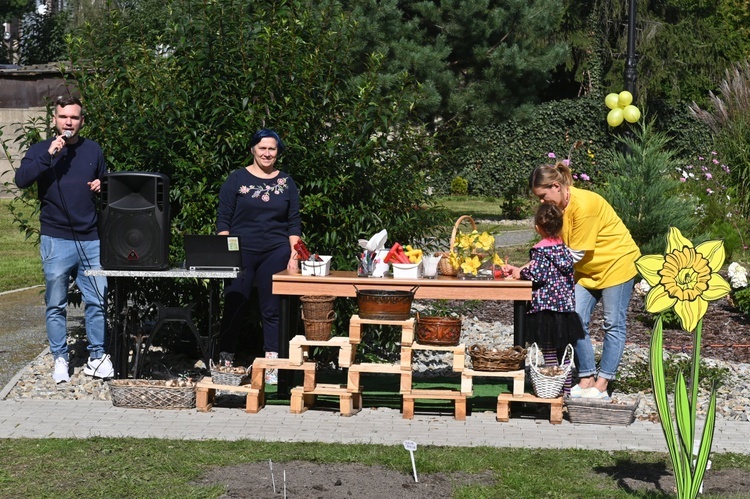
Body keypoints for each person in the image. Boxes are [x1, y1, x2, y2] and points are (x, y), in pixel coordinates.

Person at [14, 95, 113, 383]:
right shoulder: (41, 150)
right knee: (56, 303)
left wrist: (101, 186)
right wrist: (50, 154)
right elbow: (22, 180)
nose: (69, 122)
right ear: (55, 120)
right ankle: (60, 357)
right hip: (56, 238)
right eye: (63, 117)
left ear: (82, 121)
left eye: (74, 117)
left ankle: (97, 356)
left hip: (90, 239)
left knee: (97, 300)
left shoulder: (93, 149)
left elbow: (107, 185)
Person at [529, 161, 641, 400]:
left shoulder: (584, 205)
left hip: (617, 264)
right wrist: (531, 265)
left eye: (542, 195)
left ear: (556, 186)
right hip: (588, 271)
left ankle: (602, 384)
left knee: (613, 323)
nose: (541, 202)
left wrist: (539, 265)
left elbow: (575, 253)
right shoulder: (559, 209)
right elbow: (557, 247)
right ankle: (586, 377)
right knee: (575, 317)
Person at [216, 129, 301, 384]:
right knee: (234, 303)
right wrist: (225, 254)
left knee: (272, 309)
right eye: (262, 148)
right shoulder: (236, 179)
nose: (267, 153)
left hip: (276, 251)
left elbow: (293, 223)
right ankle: (225, 359)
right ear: (253, 149)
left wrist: (294, 255)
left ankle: (272, 363)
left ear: (278, 152)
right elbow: (223, 220)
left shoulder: (287, 182)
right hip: (240, 251)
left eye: (272, 149)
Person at [503, 202, 585, 397]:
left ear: (537, 227)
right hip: (564, 309)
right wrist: (520, 270)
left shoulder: (540, 251)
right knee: (563, 351)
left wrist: (518, 273)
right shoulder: (563, 249)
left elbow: (536, 274)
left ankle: (551, 390)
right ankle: (565, 390)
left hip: (545, 309)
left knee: (548, 350)